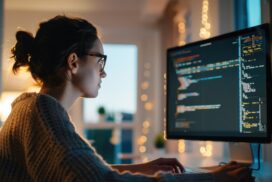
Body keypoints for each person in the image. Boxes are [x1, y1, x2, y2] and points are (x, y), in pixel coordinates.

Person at [0, 15, 253, 182]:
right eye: (100, 60)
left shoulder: (29, 109)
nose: (104, 72)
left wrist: (142, 168)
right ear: (73, 62)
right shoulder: (43, 113)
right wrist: (213, 178)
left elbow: (68, 170)